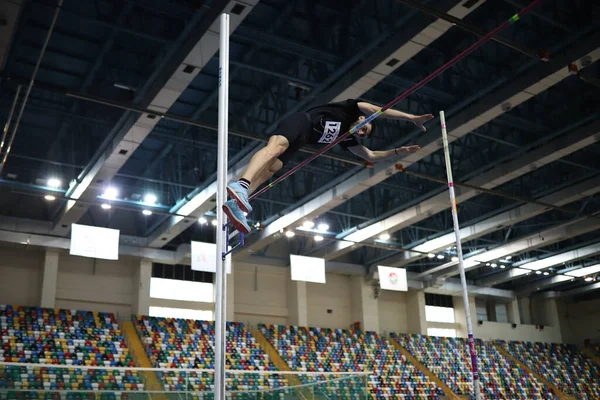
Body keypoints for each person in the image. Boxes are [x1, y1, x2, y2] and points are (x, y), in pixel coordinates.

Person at [223, 99, 433, 234]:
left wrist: (397, 153)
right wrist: (411, 118)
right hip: (300, 122)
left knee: (273, 167)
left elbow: (371, 156)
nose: (360, 132)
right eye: (364, 127)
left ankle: (239, 201)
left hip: (302, 141)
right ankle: (241, 184)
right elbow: (380, 111)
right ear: (363, 118)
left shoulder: (346, 138)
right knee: (276, 148)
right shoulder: (350, 109)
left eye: (364, 134)